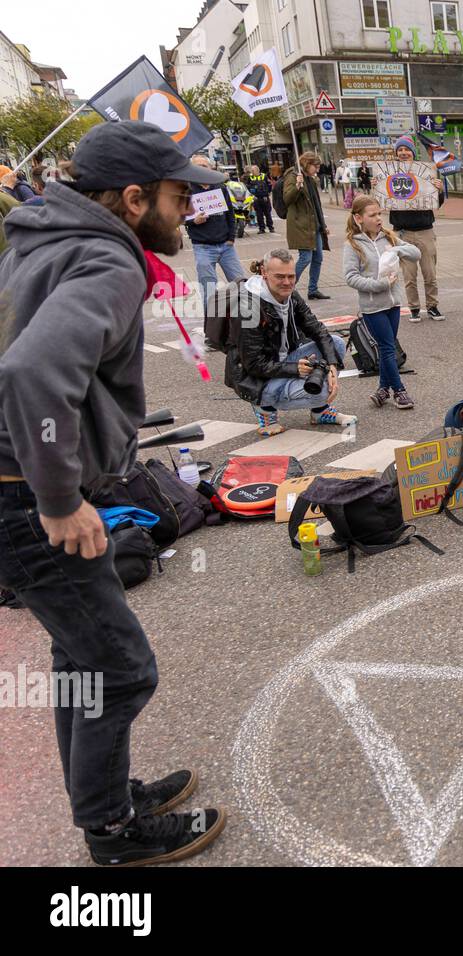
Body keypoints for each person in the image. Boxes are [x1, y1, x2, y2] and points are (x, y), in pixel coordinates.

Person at [0, 120, 229, 865]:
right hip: (24, 496)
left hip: (14, 485)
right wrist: (60, 497)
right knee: (121, 666)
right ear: (133, 199)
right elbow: (31, 371)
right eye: (175, 197)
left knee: (80, 658)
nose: (186, 212)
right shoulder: (107, 258)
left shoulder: (42, 237)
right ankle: (114, 834)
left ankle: (103, 801)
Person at [228, 249, 356, 434]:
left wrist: (333, 365)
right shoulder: (248, 308)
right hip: (256, 379)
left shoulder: (290, 295)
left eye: (291, 276)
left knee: (335, 344)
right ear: (264, 273)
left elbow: (317, 330)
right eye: (280, 277)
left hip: (284, 359)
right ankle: (265, 409)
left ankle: (320, 413)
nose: (287, 282)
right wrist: (295, 368)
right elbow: (253, 364)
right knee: (321, 391)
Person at [343, 196, 421, 410]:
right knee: (387, 347)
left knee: (388, 345)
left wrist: (396, 249)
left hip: (394, 303)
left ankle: (382, 390)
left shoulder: (389, 237)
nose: (378, 218)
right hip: (372, 307)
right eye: (372, 215)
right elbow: (350, 277)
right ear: (359, 218)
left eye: (379, 214)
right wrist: (380, 284)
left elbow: (416, 254)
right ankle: (399, 391)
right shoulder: (352, 244)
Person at [389, 134, 445, 321]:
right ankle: (414, 307)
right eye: (400, 150)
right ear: (397, 153)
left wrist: (439, 190)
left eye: (407, 149)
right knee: (409, 275)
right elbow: (381, 200)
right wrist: (376, 187)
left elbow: (437, 203)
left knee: (430, 272)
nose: (404, 153)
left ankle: (432, 306)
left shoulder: (426, 171)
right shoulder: (390, 173)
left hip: (425, 229)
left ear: (413, 152)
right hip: (402, 232)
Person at [185, 155, 246, 310]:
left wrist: (231, 238)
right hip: (203, 247)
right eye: (197, 166)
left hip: (226, 247)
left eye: (204, 165)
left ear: (210, 168)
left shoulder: (219, 187)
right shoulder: (187, 190)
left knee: (242, 285)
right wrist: (193, 221)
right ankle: (211, 329)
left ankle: (248, 322)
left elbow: (230, 214)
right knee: (209, 291)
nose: (201, 168)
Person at [283, 151, 329, 299]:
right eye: (315, 166)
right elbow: (287, 199)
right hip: (301, 225)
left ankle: (313, 289)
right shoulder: (293, 176)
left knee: (318, 258)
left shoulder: (310, 179)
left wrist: (323, 224)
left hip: (313, 226)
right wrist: (297, 185)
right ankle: (287, 287)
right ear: (307, 164)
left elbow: (317, 204)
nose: (317, 169)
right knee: (305, 258)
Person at [245, 163, 273, 234]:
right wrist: (251, 195)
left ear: (257, 170)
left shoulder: (264, 176)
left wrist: (269, 192)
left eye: (253, 170)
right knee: (259, 214)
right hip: (256, 198)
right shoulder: (250, 177)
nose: (252, 172)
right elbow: (247, 187)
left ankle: (270, 227)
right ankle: (261, 228)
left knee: (267, 213)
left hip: (264, 198)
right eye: (251, 170)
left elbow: (269, 185)